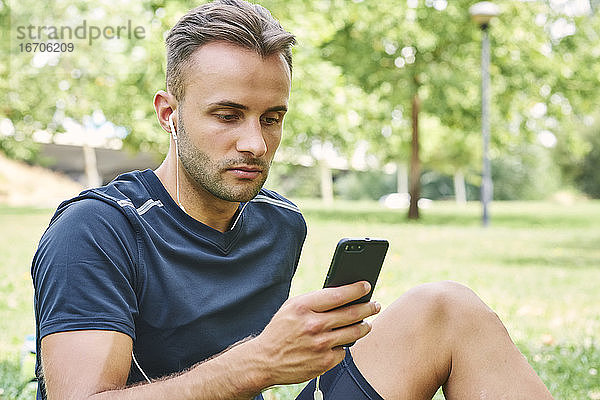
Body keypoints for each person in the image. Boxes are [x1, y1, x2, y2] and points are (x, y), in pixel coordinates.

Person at [31, 1, 554, 399]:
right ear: (169, 113)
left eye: (272, 118)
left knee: (447, 307)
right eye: (227, 115)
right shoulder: (95, 230)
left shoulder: (278, 223)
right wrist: (259, 362)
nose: (256, 144)